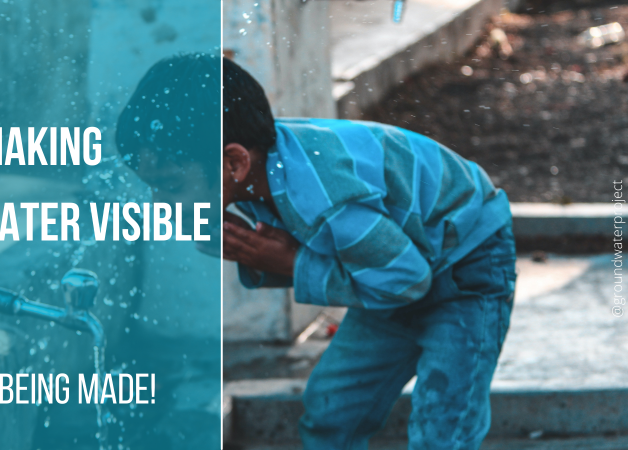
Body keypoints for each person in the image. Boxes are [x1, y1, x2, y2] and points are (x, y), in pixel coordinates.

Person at [220, 57, 516, 450]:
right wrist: (253, 252)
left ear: (234, 161)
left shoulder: (324, 194)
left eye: (170, 184)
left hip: (466, 266)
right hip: (391, 268)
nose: (164, 202)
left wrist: (292, 263)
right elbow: (384, 269)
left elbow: (405, 281)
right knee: (331, 411)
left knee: (445, 426)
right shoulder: (262, 169)